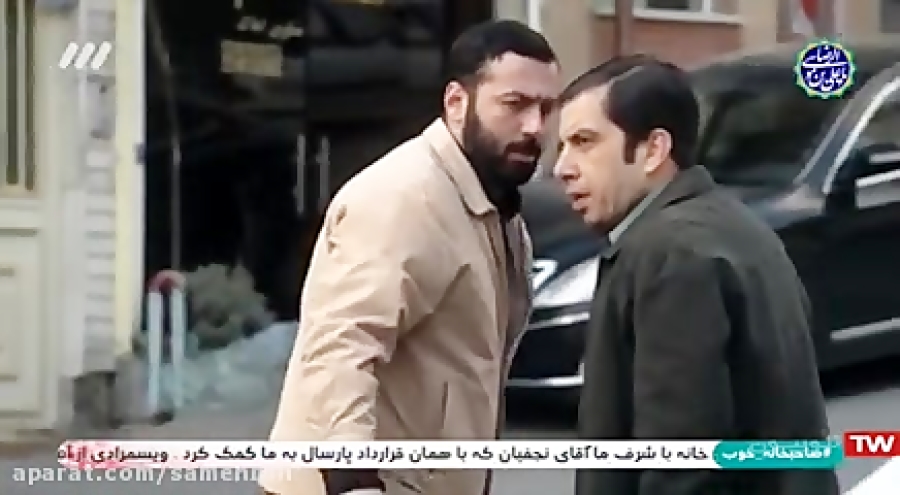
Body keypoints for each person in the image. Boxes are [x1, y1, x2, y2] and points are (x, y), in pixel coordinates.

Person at [258, 20, 561, 495]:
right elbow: (340, 347)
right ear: (456, 102)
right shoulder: (405, 196)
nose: (534, 127)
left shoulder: (492, 203)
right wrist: (353, 480)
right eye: (514, 104)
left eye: (545, 109)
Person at [553, 55, 840, 495]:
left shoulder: (672, 253)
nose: (562, 167)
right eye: (562, 146)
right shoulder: (731, 227)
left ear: (654, 150)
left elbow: (682, 459)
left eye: (584, 142)